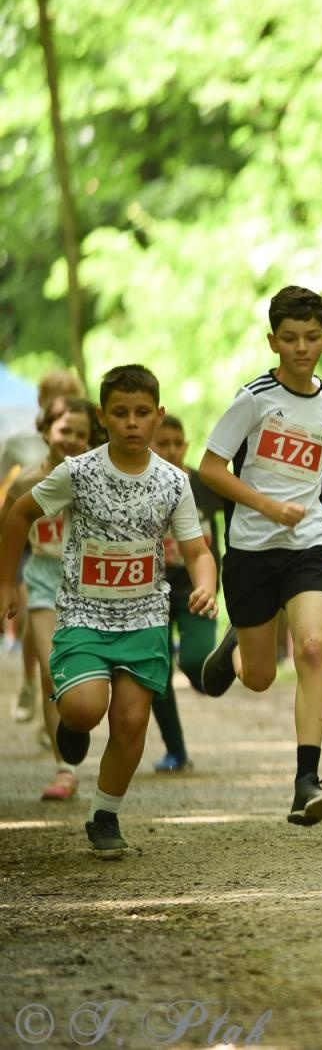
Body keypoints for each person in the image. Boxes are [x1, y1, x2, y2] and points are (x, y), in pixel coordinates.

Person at [0, 365, 217, 858]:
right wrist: (5, 583)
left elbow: (198, 549)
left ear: (159, 417)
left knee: (131, 720)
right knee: (83, 707)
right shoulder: (78, 472)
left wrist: (206, 585)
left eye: (143, 413)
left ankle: (105, 814)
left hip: (144, 618)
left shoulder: (173, 481)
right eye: (120, 413)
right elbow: (18, 514)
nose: (133, 423)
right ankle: (72, 727)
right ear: (104, 417)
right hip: (83, 614)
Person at [197, 285, 322, 826]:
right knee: (262, 678)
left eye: (311, 337)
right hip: (251, 549)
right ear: (273, 341)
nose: (301, 347)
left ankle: (306, 782)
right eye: (290, 338)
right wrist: (267, 505)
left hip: (309, 546)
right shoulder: (252, 399)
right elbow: (211, 468)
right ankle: (238, 648)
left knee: (313, 647)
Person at [1, 396, 93, 799]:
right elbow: (8, 535)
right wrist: (6, 585)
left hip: (92, 585)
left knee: (83, 675)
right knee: (50, 671)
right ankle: (65, 768)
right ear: (45, 432)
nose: (71, 439)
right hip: (42, 580)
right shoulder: (24, 484)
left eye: (81, 434)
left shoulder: (100, 478)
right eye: (64, 431)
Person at [3, 369, 86, 726]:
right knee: (32, 615)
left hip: (75, 550)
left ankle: (56, 711)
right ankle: (30, 681)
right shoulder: (22, 440)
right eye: (55, 394)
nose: (62, 401)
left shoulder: (84, 441)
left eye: (69, 393)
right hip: (31, 538)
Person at [148, 414, 224, 772]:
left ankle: (205, 677)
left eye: (177, 443)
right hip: (149, 594)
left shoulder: (204, 484)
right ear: (149, 444)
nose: (172, 450)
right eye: (163, 444)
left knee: (195, 660)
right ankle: (175, 750)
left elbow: (242, 511)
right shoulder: (140, 485)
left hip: (198, 590)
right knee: (156, 674)